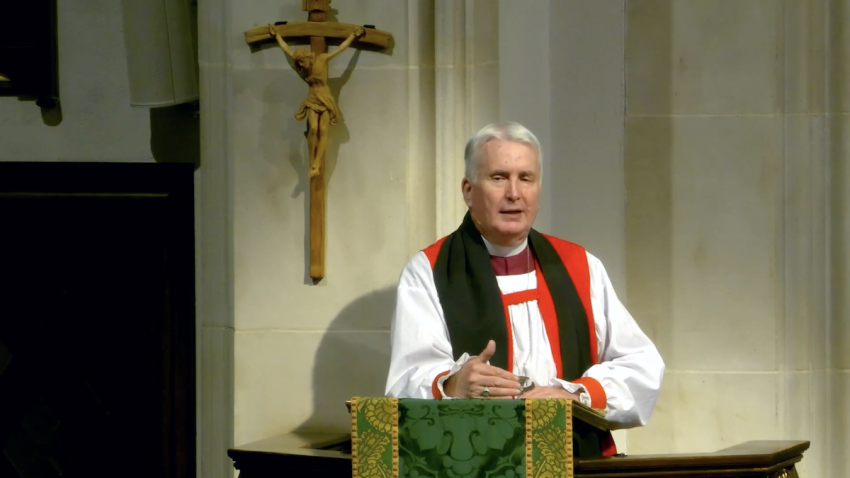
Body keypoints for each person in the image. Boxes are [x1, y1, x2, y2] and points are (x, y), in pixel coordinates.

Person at [385, 122, 665, 454]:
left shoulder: (579, 266)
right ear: (468, 190)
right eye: (499, 177)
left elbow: (642, 365)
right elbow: (406, 380)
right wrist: (452, 385)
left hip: (574, 462)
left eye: (526, 178)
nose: (514, 193)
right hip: (475, 465)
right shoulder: (430, 270)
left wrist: (575, 395)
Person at [268, 24, 365, 178]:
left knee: (323, 129)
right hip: (312, 98)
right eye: (299, 65)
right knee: (313, 128)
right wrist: (277, 35)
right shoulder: (303, 66)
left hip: (325, 98)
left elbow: (341, 49)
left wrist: (354, 36)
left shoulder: (322, 59)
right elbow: (286, 49)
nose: (301, 67)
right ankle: (312, 160)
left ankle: (317, 163)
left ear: (306, 58)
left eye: (302, 63)